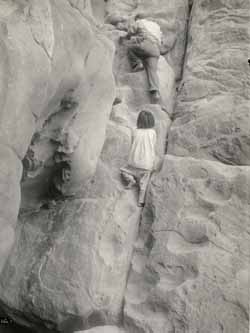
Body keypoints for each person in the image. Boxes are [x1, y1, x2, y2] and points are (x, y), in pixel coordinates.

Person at [119, 15, 164, 102]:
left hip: (146, 44)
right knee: (152, 71)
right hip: (155, 51)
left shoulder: (140, 22)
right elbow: (161, 40)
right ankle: (155, 92)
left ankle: (137, 64)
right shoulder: (156, 27)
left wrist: (124, 38)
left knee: (130, 48)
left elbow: (131, 31)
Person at [120, 110, 157, 207]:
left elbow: (133, 142)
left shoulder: (135, 130)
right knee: (144, 182)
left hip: (134, 162)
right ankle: (140, 201)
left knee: (123, 170)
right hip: (147, 164)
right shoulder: (153, 132)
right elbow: (152, 147)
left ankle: (131, 179)